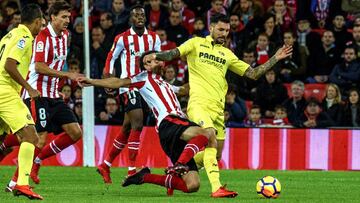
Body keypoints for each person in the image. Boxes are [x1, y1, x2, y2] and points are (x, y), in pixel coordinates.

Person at [143, 13, 292, 197]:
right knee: (209, 135)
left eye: (227, 31)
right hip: (198, 105)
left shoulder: (227, 54)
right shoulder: (195, 43)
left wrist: (275, 58)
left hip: (218, 111)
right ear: (211, 27)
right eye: (221, 29)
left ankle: (178, 170)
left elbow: (253, 74)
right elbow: (174, 53)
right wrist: (155, 55)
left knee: (215, 155)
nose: (224, 33)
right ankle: (216, 188)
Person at [77, 51, 212, 195]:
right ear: (146, 65)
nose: (158, 59)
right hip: (169, 122)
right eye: (154, 59)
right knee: (205, 133)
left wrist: (204, 75)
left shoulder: (166, 85)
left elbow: (184, 89)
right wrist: (92, 81)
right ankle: (180, 164)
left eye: (158, 58)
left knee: (192, 185)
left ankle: (144, 177)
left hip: (172, 133)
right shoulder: (143, 78)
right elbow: (118, 82)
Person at [10, 1, 83, 186]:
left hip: (54, 95)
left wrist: (59, 85)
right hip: (37, 93)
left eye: (69, 16)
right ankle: (14, 183)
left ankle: (37, 161)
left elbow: (55, 63)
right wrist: (67, 74)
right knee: (37, 138)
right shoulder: (42, 36)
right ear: (52, 17)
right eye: (63, 17)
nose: (68, 20)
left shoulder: (66, 36)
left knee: (75, 132)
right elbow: (40, 66)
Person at [98, 4, 161, 184]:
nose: (140, 17)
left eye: (142, 15)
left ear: (145, 18)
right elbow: (111, 57)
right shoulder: (122, 38)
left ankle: (105, 164)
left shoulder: (154, 38)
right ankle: (132, 169)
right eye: (136, 15)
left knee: (127, 127)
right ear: (131, 19)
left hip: (146, 86)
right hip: (129, 85)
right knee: (138, 122)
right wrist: (108, 77)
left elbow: (157, 59)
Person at [0, 4, 43, 199]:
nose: (41, 25)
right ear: (37, 21)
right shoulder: (24, 38)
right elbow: (9, 65)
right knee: (31, 136)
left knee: (2, 143)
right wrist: (29, 88)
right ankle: (22, 184)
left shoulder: (8, 36)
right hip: (5, 91)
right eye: (41, 22)